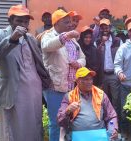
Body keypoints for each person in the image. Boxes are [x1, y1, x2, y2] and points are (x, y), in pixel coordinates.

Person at [0, 4, 51, 141]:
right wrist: (11, 39)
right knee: (13, 129)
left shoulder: (30, 38)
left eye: (26, 21)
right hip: (13, 91)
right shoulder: (0, 35)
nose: (23, 24)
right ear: (10, 20)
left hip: (34, 91)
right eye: (19, 20)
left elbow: (38, 61)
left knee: (33, 124)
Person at [41, 9, 86, 141]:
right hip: (54, 87)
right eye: (66, 22)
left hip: (71, 88)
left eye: (70, 22)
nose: (69, 24)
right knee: (55, 122)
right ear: (56, 23)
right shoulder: (48, 36)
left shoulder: (73, 41)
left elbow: (83, 57)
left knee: (69, 119)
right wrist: (65, 37)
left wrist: (78, 63)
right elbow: (47, 46)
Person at [57, 67, 118, 140]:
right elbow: (60, 121)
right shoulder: (69, 96)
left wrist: (114, 129)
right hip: (78, 137)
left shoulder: (100, 94)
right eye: (86, 79)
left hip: (99, 136)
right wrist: (67, 110)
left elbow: (111, 116)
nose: (90, 82)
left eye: (91, 79)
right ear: (77, 81)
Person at [96, 18, 121, 119]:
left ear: (110, 27)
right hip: (103, 75)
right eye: (102, 27)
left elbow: (121, 57)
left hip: (114, 74)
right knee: (104, 100)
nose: (104, 29)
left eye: (106, 27)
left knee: (115, 100)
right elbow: (95, 56)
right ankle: (105, 121)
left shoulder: (117, 41)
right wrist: (101, 43)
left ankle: (115, 122)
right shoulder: (97, 41)